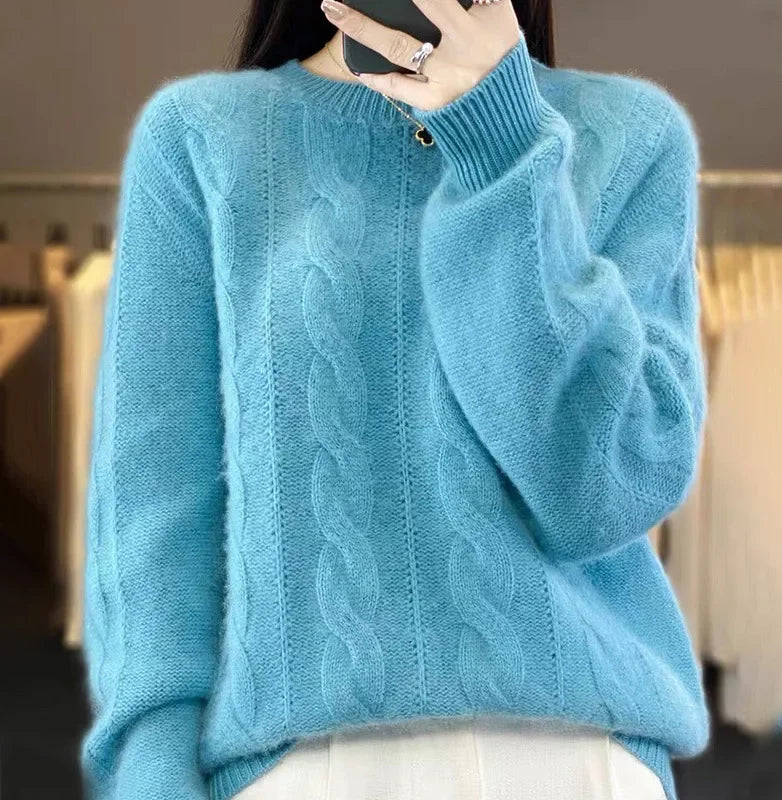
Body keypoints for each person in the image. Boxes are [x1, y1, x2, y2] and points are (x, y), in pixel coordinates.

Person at [80, 1, 710, 799]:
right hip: (304, 767)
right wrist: (152, 772)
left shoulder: (631, 136)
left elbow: (604, 492)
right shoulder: (203, 137)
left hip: (581, 758)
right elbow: (155, 503)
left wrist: (502, 144)